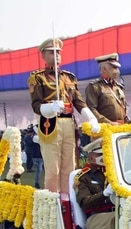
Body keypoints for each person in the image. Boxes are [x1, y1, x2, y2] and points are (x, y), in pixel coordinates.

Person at [28, 38, 100, 198]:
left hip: (68, 122)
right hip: (50, 123)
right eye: (51, 52)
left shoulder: (69, 77)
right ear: (43, 55)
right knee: (53, 169)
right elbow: (36, 105)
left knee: (70, 166)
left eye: (58, 52)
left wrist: (91, 117)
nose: (56, 55)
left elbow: (78, 101)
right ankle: (53, 201)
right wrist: (50, 108)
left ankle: (67, 200)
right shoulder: (38, 78)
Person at [75, 138, 115, 229]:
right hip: (95, 217)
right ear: (91, 158)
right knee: (122, 219)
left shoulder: (115, 172)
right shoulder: (84, 176)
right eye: (101, 154)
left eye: (106, 153)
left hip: (116, 211)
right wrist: (104, 194)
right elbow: (85, 203)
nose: (105, 156)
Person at [85, 53, 128, 124]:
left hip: (121, 127)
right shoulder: (95, 86)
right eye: (114, 67)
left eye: (117, 68)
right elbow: (91, 110)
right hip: (105, 128)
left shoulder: (118, 87)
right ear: (104, 69)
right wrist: (108, 123)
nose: (117, 70)